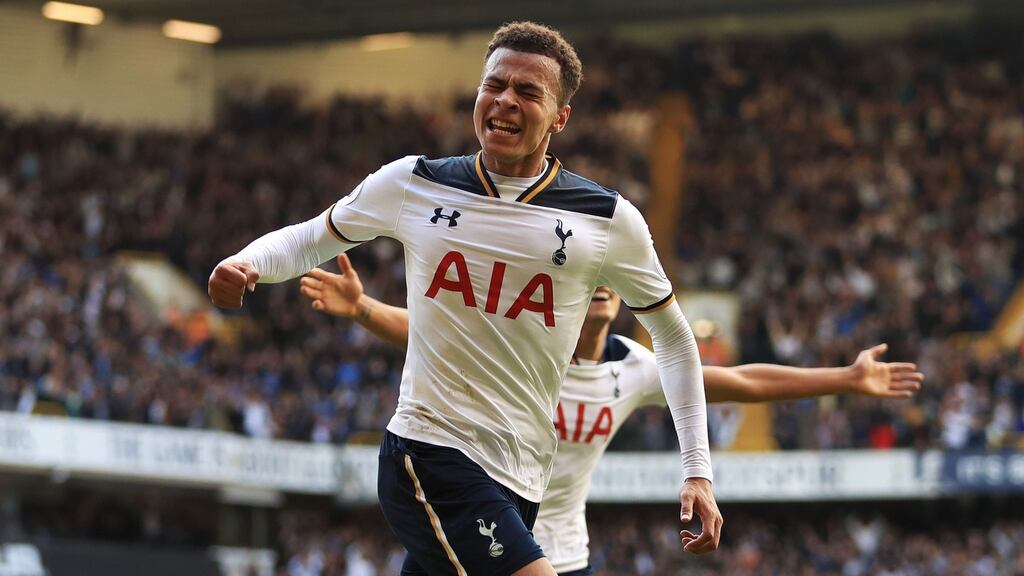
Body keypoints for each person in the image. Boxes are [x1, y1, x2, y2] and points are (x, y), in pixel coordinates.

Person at [208, 21, 720, 575]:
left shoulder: (606, 220)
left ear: (560, 117)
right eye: (493, 85)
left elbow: (673, 338)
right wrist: (247, 263)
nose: (505, 100)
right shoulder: (414, 183)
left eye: (528, 91)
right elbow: (311, 238)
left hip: (521, 476)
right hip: (429, 451)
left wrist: (697, 470)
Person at [299, 254, 925, 575]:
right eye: (585, 276)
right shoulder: (521, 344)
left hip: (565, 551)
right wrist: (363, 309)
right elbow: (428, 332)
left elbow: (740, 381)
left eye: (607, 278)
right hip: (481, 525)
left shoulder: (637, 368)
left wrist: (845, 378)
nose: (598, 284)